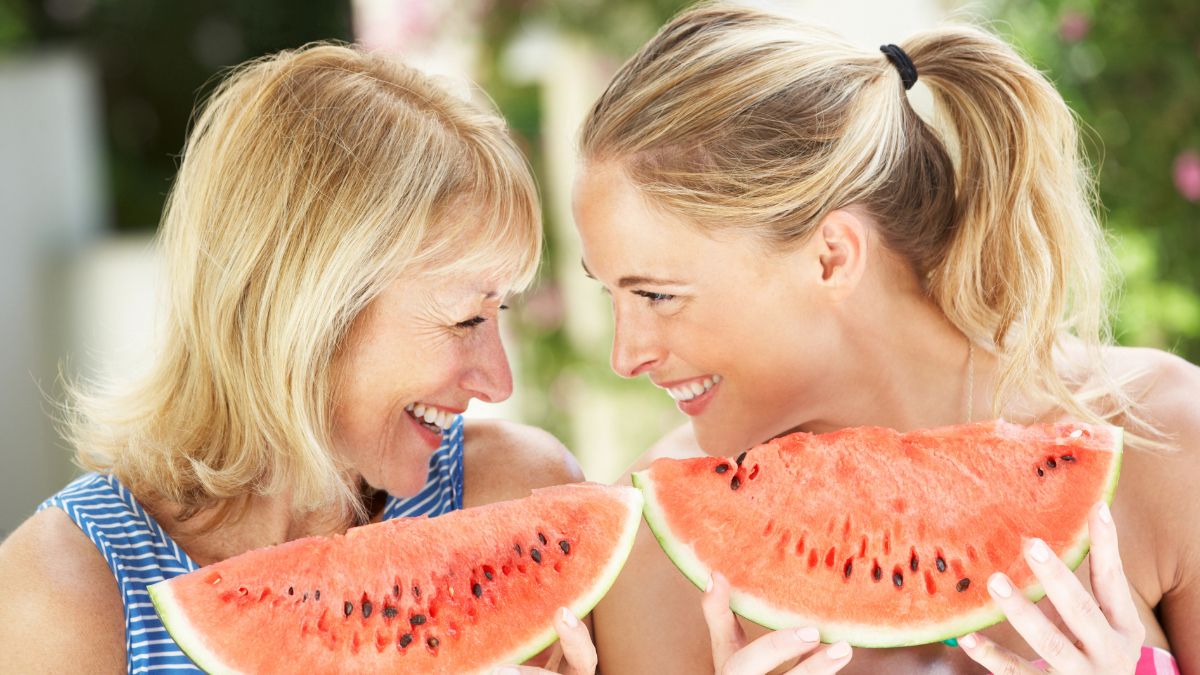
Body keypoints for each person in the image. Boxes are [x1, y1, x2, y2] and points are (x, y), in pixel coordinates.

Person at [571, 4, 1199, 674]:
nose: (626, 353)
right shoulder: (651, 555)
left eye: (658, 295)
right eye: (609, 293)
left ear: (832, 257)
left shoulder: (1166, 439)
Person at [0, 44, 590, 673]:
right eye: (466, 318)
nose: (498, 381)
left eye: (502, 315)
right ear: (313, 312)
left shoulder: (515, 502)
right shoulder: (65, 589)